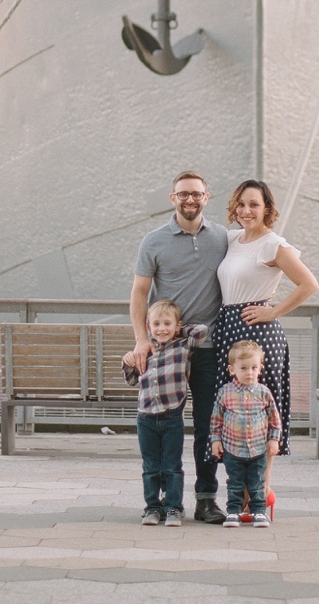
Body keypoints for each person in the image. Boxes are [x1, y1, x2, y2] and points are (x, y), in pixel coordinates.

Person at [130, 169, 229, 524]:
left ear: (207, 197)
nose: (190, 199)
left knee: (206, 425)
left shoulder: (222, 237)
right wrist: (142, 340)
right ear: (173, 198)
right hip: (165, 352)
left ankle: (206, 498)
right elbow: (140, 293)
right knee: (159, 423)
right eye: (183, 194)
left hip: (207, 348)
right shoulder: (153, 241)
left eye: (197, 194)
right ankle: (158, 502)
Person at [214, 179, 319, 494]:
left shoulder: (273, 244)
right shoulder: (232, 240)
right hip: (229, 329)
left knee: (258, 413)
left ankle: (259, 492)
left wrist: (273, 312)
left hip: (258, 332)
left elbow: (309, 284)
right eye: (241, 204)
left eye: (254, 205)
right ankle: (240, 491)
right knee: (235, 412)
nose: (246, 211)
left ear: (267, 209)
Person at [122, 299, 207, 526]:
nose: (162, 329)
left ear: (177, 326)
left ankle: (173, 508)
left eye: (167, 324)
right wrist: (128, 360)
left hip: (171, 418)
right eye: (156, 324)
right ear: (148, 327)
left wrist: (180, 330)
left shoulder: (182, 347)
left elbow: (202, 331)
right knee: (150, 467)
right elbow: (131, 380)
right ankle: (152, 507)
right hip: (146, 417)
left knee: (172, 466)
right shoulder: (145, 350)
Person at [210, 340, 281, 528]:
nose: (249, 372)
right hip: (233, 448)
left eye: (254, 368)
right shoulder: (225, 392)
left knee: (257, 482)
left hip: (258, 448)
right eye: (243, 368)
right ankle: (233, 511)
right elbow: (216, 419)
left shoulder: (264, 393)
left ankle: (259, 511)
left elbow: (274, 419)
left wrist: (274, 440)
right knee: (235, 483)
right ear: (232, 370)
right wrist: (215, 440)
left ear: (260, 369)